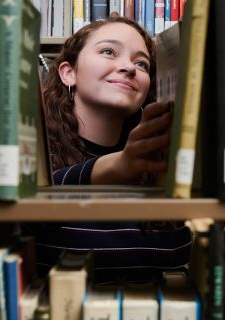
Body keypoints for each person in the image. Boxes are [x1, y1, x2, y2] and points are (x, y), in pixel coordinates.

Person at [23, 16, 192, 282]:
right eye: (108, 52)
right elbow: (33, 197)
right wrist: (119, 166)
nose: (129, 67)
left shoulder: (159, 165)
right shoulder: (32, 156)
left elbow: (179, 269)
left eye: (141, 63)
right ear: (68, 72)